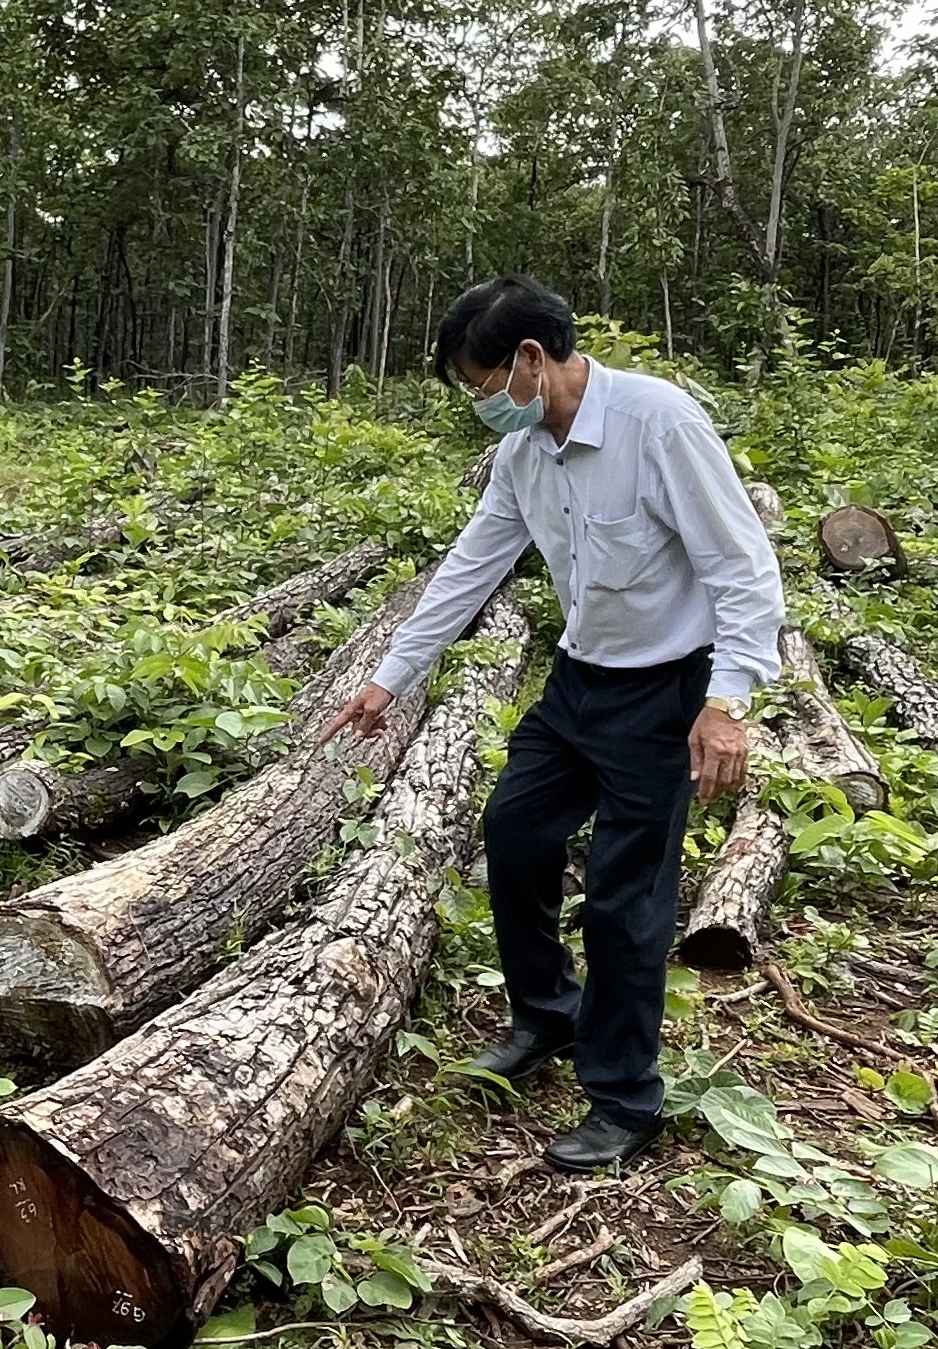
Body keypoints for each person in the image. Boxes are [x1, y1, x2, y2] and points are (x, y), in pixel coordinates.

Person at [321, 275, 781, 1172]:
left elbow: (742, 568)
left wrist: (727, 702)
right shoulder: (525, 451)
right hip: (577, 682)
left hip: (664, 692)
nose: (481, 404)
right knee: (514, 831)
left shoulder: (660, 424)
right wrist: (389, 676)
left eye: (482, 384)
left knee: (624, 898)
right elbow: (470, 563)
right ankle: (547, 1015)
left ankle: (623, 1096)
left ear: (530, 359)